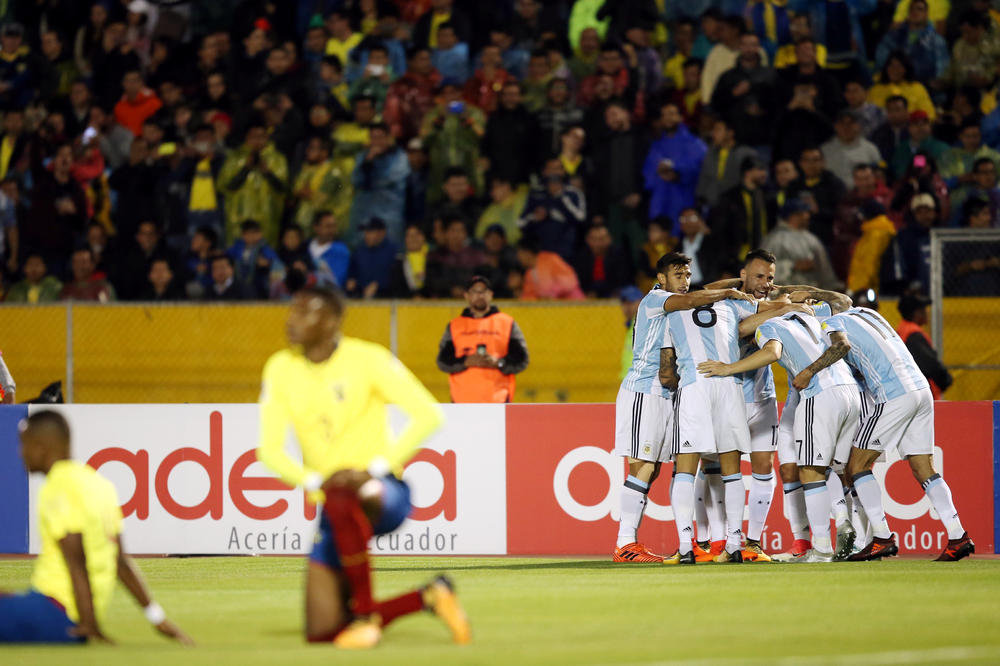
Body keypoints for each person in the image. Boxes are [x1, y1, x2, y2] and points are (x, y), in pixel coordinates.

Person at [256, 286, 470, 647]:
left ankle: (367, 614)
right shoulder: (280, 368)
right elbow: (269, 451)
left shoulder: (368, 359)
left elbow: (429, 415)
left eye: (305, 312)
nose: (291, 320)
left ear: (332, 321)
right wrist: (313, 480)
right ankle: (431, 595)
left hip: (383, 492)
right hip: (332, 504)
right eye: (292, 310)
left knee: (344, 490)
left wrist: (375, 468)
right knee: (323, 632)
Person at [0, 410, 192, 644]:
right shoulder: (99, 484)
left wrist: (89, 626)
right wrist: (156, 617)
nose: (21, 453)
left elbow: (76, 560)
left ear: (41, 448)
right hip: (57, 609)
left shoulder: (58, 487)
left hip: (55, 614)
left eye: (24, 445)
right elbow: (120, 562)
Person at [802, 305, 974, 561]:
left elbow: (841, 348)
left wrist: (810, 370)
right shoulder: (869, 314)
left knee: (856, 466)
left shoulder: (831, 325)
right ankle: (957, 535)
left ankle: (881, 537)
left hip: (894, 395)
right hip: (921, 390)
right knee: (923, 467)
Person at [613, 253, 751, 564]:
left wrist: (736, 283)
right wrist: (730, 292)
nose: (685, 282)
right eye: (678, 275)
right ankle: (624, 542)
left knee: (655, 468)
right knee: (641, 466)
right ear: (661, 278)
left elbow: (697, 295)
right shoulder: (655, 299)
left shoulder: (674, 298)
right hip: (643, 393)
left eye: (687, 275)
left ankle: (639, 542)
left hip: (664, 395)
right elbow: (692, 301)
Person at [698, 305, 862, 563]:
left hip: (821, 393)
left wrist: (728, 368)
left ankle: (821, 549)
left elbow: (772, 352)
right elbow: (840, 303)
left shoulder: (767, 328)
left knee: (811, 470)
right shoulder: (809, 318)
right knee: (834, 468)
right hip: (851, 392)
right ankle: (845, 522)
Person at [661, 253, 781, 564]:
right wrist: (793, 306)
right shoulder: (732, 304)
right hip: (730, 386)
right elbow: (762, 311)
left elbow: (666, 366)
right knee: (732, 472)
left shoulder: (668, 308)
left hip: (695, 386)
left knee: (685, 471)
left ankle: (687, 547)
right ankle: (734, 544)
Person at [436, 276, 529, 403]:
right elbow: (443, 361)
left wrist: (498, 363)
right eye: (475, 291)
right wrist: (465, 362)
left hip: (498, 402)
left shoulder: (506, 323)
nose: (479, 295)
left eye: (483, 291)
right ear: (466, 295)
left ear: (490, 294)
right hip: (462, 402)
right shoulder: (454, 326)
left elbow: (521, 360)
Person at [763, 198, 838, 289]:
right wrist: (793, 265)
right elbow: (763, 268)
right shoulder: (775, 238)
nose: (807, 216)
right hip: (784, 292)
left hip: (812, 291)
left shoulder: (811, 238)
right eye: (802, 213)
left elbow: (824, 269)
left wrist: (832, 287)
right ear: (792, 216)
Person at [895, 292, 952, 399]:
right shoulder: (914, 334)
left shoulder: (901, 330)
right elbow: (930, 365)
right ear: (916, 313)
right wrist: (946, 380)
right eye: (923, 309)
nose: (926, 312)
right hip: (925, 395)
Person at [516, 237, 584, 300]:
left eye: (520, 253)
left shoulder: (550, 259)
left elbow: (570, 281)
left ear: (527, 253)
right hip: (554, 309)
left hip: (574, 304)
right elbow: (528, 296)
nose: (518, 257)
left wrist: (552, 293)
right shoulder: (529, 274)